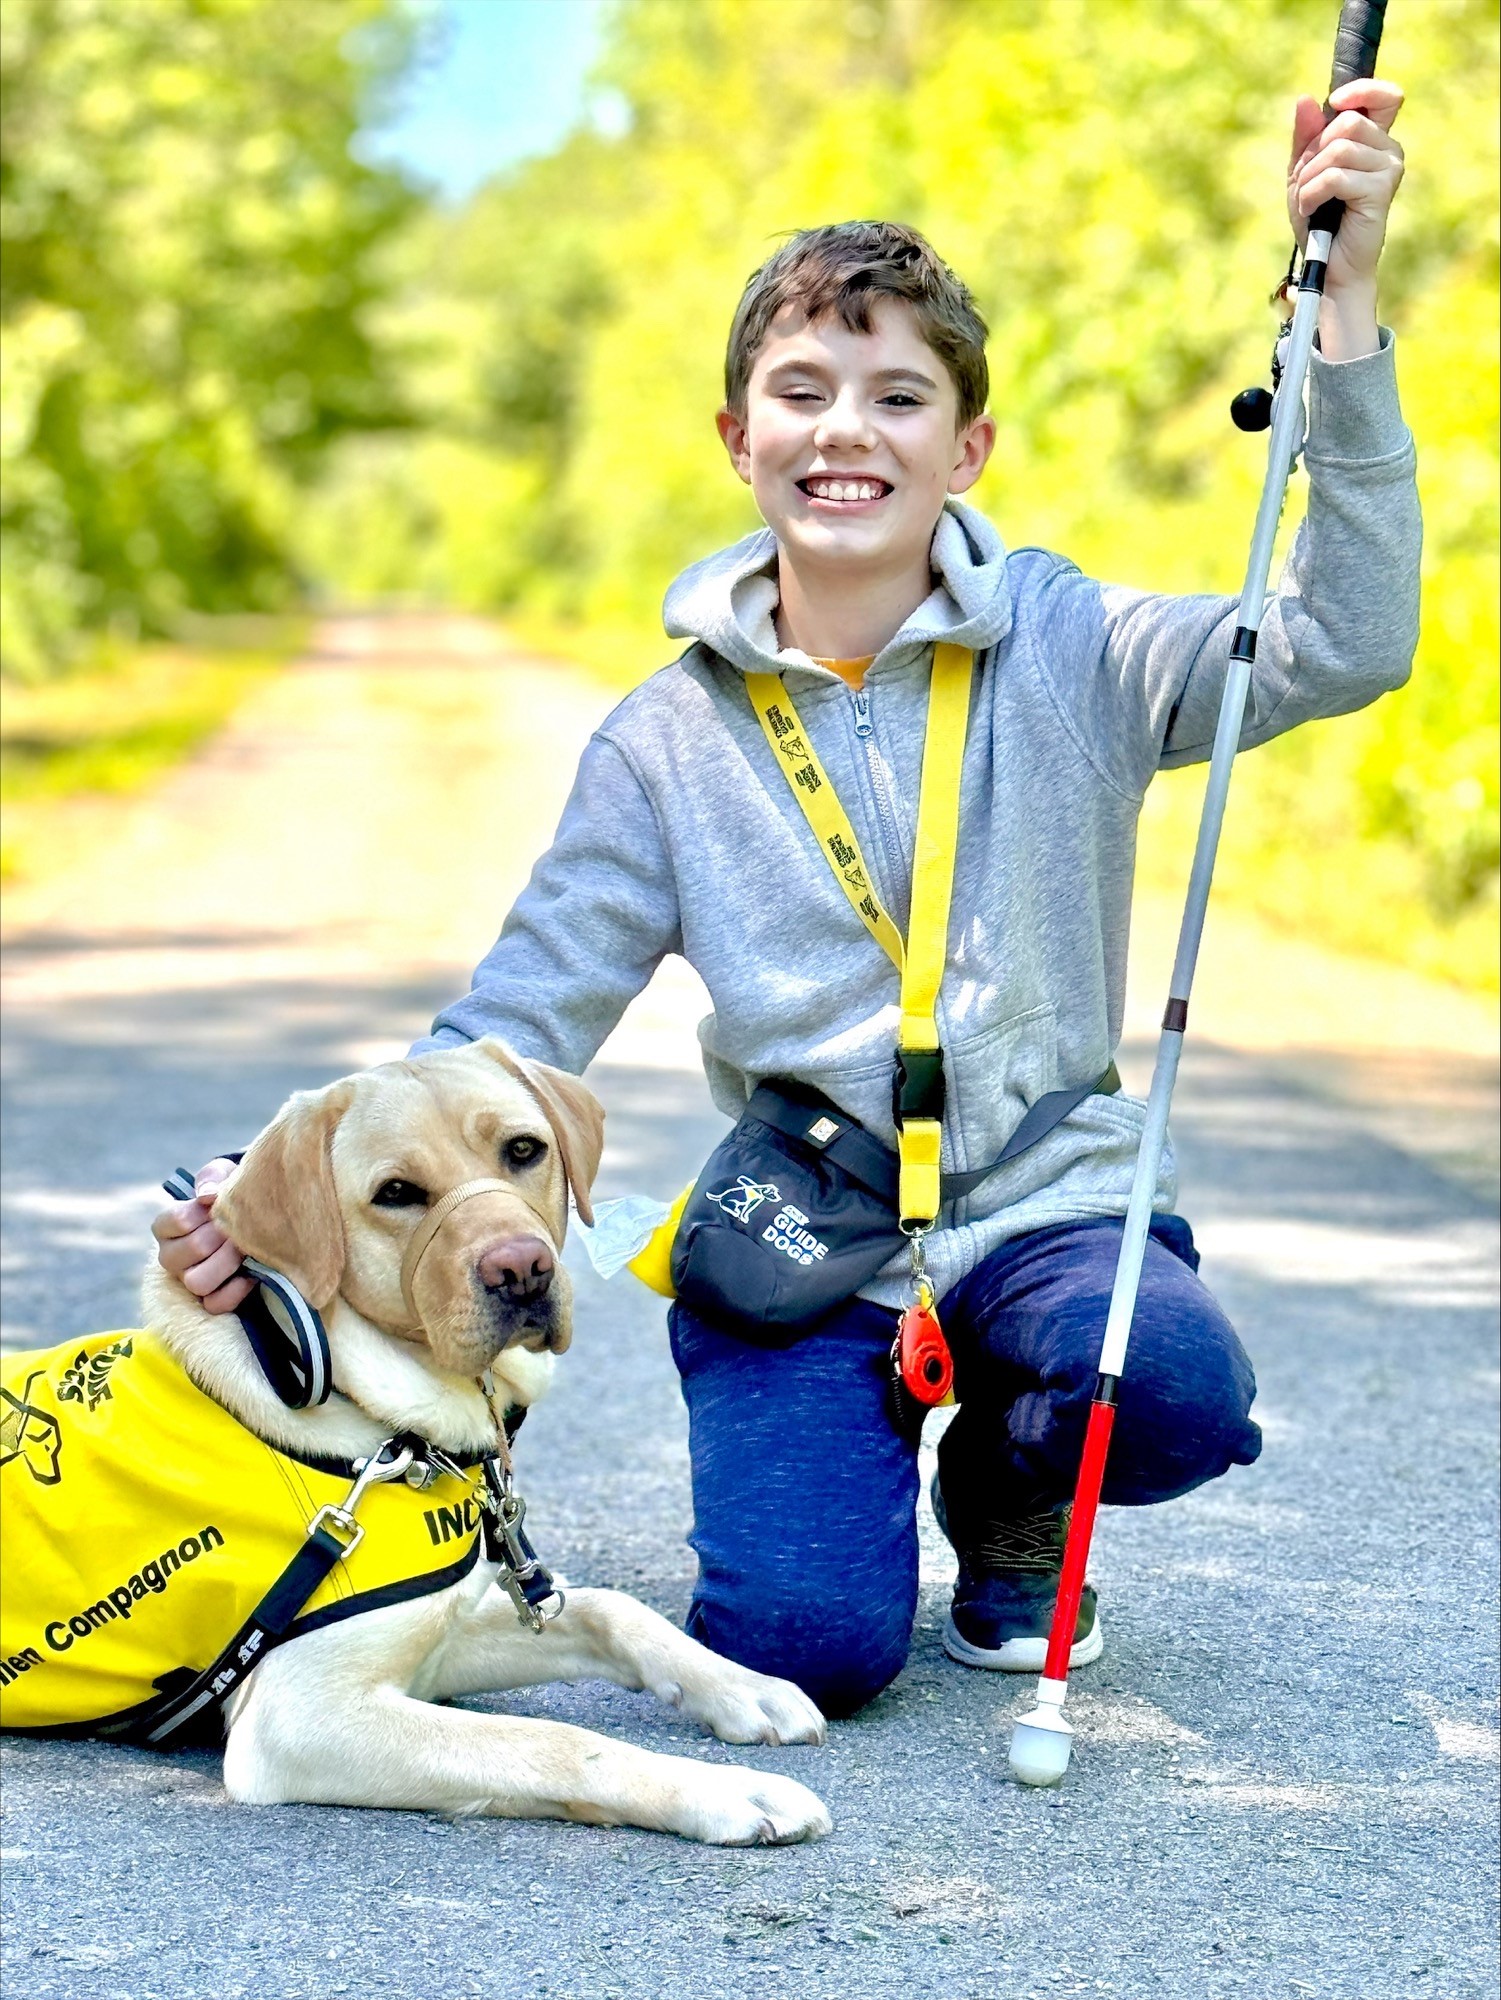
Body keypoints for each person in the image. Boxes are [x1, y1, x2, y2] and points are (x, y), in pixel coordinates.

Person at [155, 82, 1417, 1718]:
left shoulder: (1079, 647)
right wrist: (266, 1193)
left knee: (1167, 1386)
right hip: (801, 1235)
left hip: (1044, 1205)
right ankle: (838, 1477)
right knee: (807, 1656)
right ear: (738, 438)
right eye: (801, 390)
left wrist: (1350, 312)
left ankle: (1009, 1499)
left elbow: (1347, 639)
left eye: (898, 397)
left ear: (963, 447)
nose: (846, 430)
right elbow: (510, 1028)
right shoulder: (663, 740)